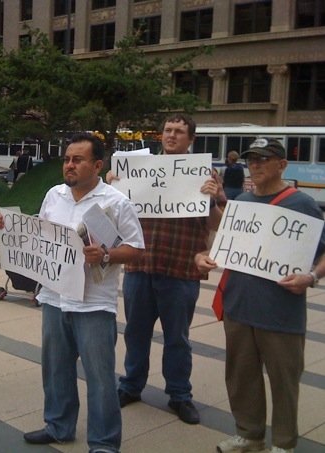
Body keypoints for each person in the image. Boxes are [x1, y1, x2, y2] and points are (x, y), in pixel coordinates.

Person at [1, 133, 145, 452]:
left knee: (100, 378)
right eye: (67, 159)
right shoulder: (54, 195)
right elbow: (40, 234)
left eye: (77, 160)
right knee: (56, 370)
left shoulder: (116, 202)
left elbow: (136, 249)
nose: (69, 165)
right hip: (54, 298)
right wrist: (10, 228)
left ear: (97, 165)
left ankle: (104, 442)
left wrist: (106, 254)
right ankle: (58, 426)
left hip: (94, 304)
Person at [195, 138, 325, 453]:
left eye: (265, 159)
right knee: (241, 378)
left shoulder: (302, 204)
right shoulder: (243, 203)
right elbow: (224, 240)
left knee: (284, 383)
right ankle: (249, 435)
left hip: (280, 313)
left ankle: (283, 443)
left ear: (282, 165)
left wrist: (311, 276)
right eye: (253, 159)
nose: (256, 164)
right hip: (239, 308)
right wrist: (203, 255)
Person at [112, 113, 225, 425]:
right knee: (136, 333)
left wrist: (214, 200)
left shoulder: (206, 174)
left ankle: (179, 395)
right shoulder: (136, 170)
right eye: (168, 130)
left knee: (178, 337)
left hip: (180, 268)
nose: (171, 135)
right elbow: (113, 212)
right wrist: (112, 187)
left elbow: (220, 224)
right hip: (140, 265)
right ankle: (131, 385)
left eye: (179, 131)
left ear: (191, 139)